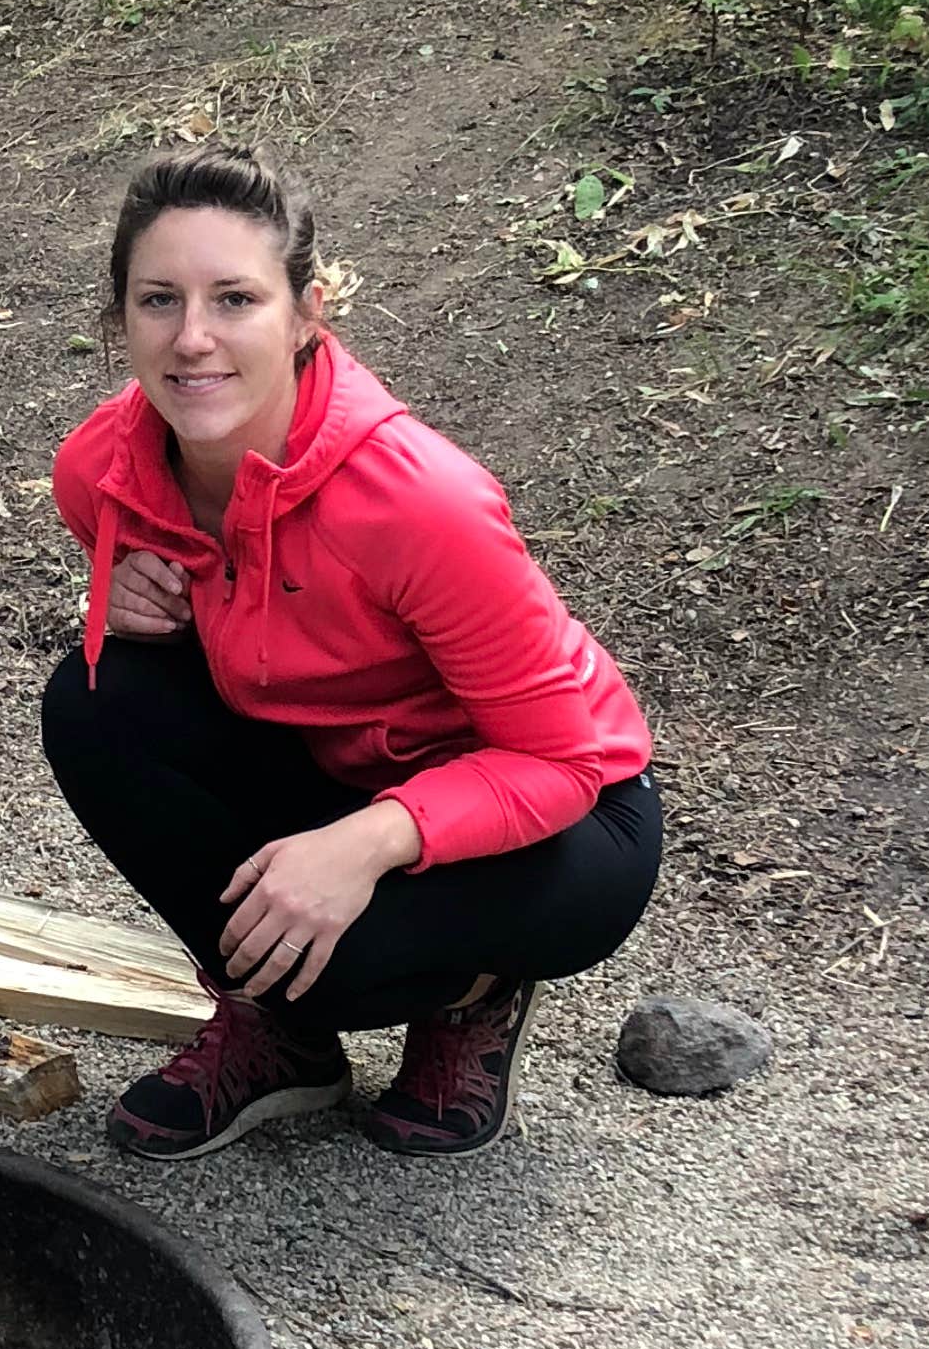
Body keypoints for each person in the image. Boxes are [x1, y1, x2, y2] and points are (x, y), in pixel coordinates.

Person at [43, 144, 660, 1163]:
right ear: (121, 322)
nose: (193, 338)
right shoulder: (100, 473)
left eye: (235, 299)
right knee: (93, 699)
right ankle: (278, 1034)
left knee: (351, 960)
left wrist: (366, 844)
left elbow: (561, 760)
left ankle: (475, 992)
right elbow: (214, 616)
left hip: (561, 813)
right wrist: (116, 599)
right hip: (334, 762)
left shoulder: (420, 501)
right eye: (159, 301)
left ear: (307, 312)